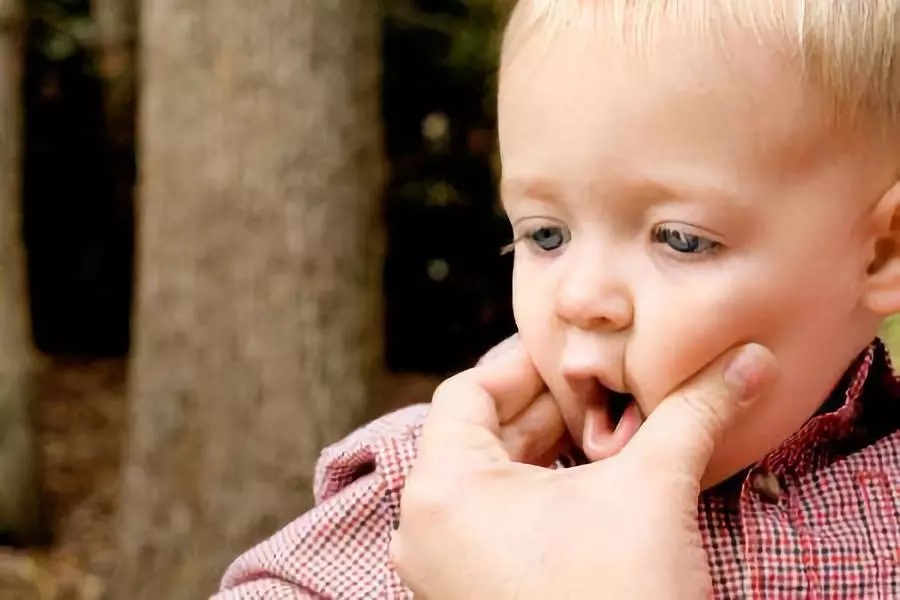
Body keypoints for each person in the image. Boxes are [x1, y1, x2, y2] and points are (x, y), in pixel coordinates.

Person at [213, 0, 900, 597]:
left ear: (882, 253)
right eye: (545, 234)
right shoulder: (440, 496)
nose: (579, 297)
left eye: (681, 239)